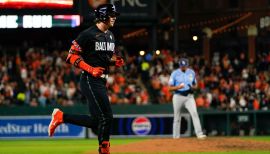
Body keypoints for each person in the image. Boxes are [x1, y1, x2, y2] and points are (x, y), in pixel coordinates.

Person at [48, 4, 124, 154]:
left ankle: (61, 116)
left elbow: (103, 58)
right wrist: (90, 69)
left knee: (97, 121)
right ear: (103, 16)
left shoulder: (110, 35)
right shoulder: (87, 34)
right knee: (107, 117)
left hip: (101, 80)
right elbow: (71, 57)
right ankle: (104, 149)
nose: (114, 17)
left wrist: (113, 62)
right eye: (111, 14)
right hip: (90, 79)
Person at [168, 58, 206, 139]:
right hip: (178, 96)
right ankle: (176, 137)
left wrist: (193, 87)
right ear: (179, 65)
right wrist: (178, 87)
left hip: (189, 97)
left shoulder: (191, 72)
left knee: (195, 114)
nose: (183, 67)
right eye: (182, 66)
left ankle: (199, 134)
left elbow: (196, 85)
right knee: (177, 116)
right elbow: (169, 88)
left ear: (187, 65)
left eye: (185, 65)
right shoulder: (174, 73)